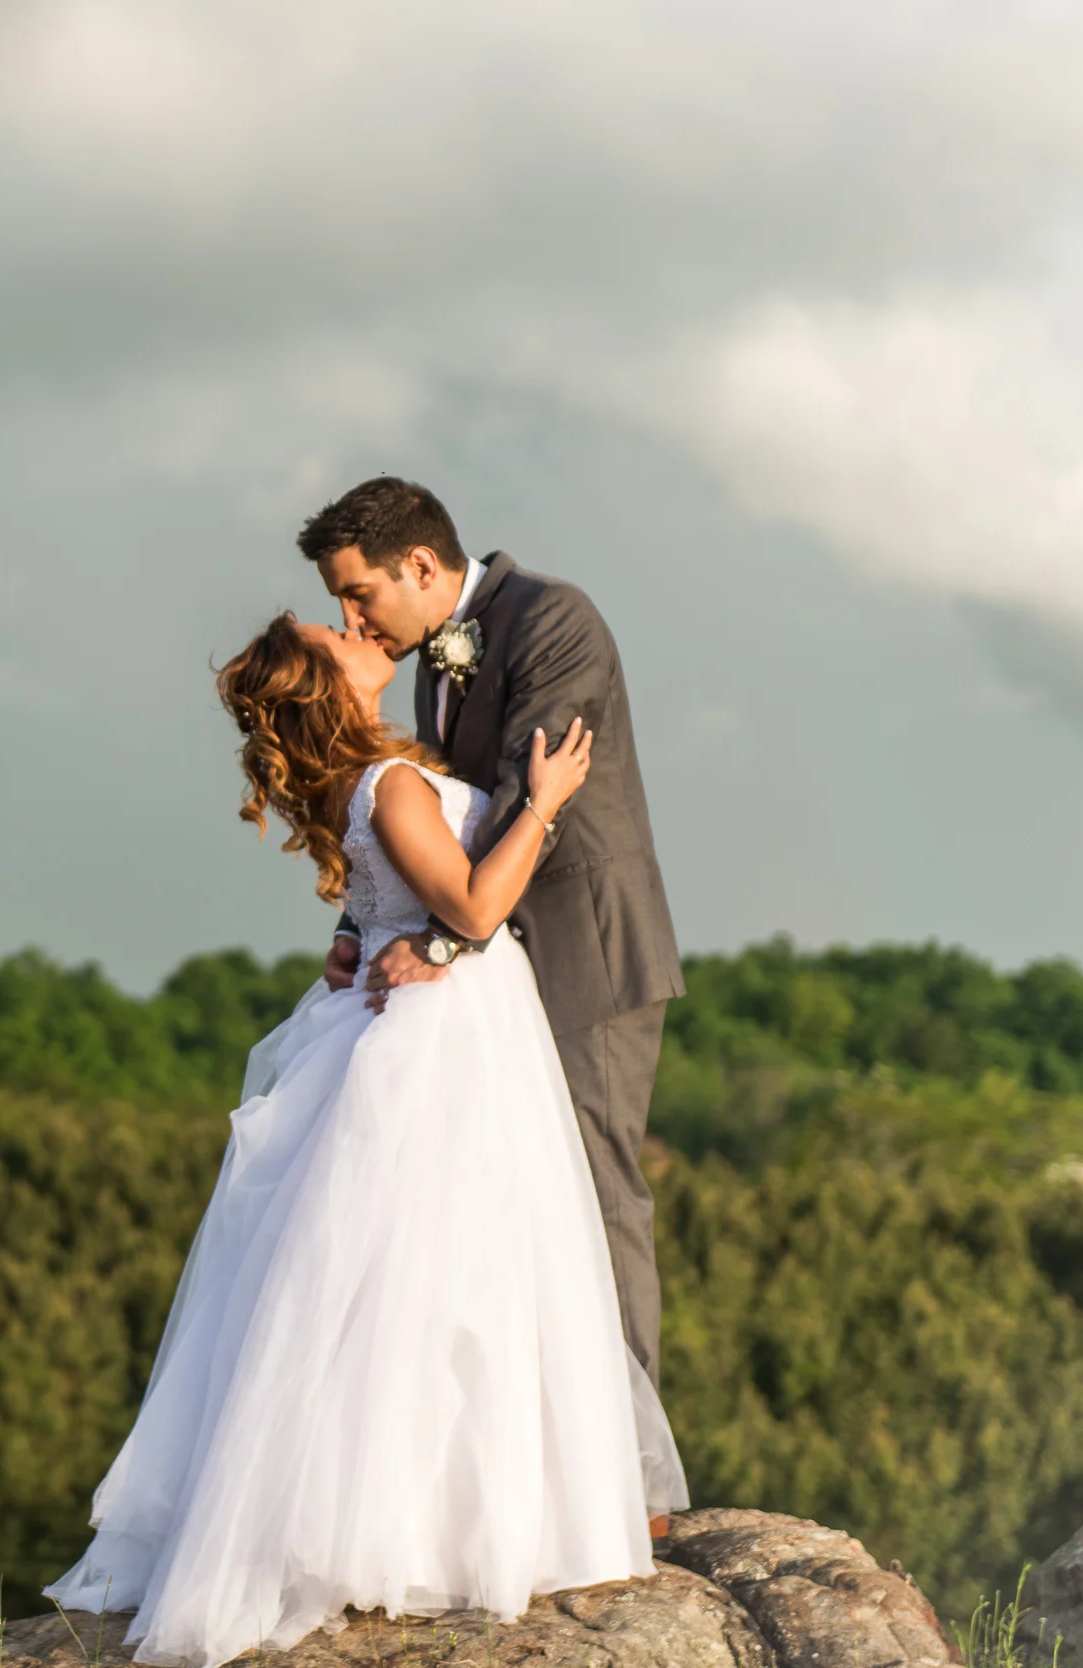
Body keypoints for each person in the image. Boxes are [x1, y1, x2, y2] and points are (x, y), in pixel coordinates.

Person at [42, 611, 685, 1668]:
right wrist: (547, 805)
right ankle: (426, 1531)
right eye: (330, 632)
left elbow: (398, 903)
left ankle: (444, 1515)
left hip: (443, 1028)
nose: (352, 627)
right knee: (431, 1283)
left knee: (444, 1281)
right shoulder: (387, 785)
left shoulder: (385, 771)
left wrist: (365, 930)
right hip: (441, 1045)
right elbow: (474, 907)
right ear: (328, 685)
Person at [303, 477, 681, 1389]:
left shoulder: (554, 620)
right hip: (490, 971)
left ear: (421, 564)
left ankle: (630, 1469)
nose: (354, 620)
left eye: (360, 592)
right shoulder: (432, 652)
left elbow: (526, 797)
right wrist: (364, 920)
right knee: (501, 1206)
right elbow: (435, 818)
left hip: (581, 955)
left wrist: (435, 940)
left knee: (593, 1193)